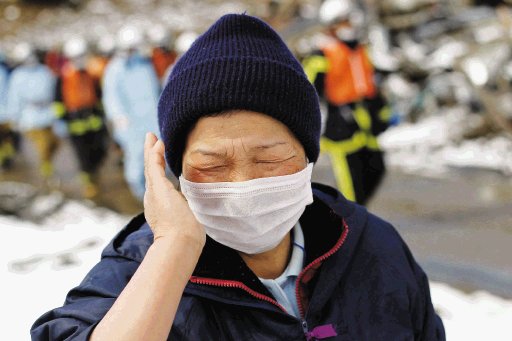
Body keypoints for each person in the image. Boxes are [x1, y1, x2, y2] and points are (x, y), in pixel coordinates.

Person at [31, 14, 444, 340]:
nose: (243, 186)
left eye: (269, 160)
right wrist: (174, 248)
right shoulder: (138, 275)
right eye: (211, 166)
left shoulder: (373, 246)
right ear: (174, 171)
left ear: (306, 156)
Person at [302, 0, 391, 205]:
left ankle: (359, 215)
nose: (350, 25)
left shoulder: (360, 49)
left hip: (366, 125)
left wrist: (382, 113)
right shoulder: (322, 54)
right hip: (341, 128)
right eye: (345, 22)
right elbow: (309, 90)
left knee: (376, 169)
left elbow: (371, 85)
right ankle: (353, 226)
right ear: (333, 25)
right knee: (352, 187)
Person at [102, 25, 161, 200]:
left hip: (152, 121)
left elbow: (154, 91)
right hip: (131, 125)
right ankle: (141, 196)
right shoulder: (115, 69)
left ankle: (159, 193)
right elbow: (111, 96)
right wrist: (119, 117)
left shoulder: (145, 65)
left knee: (157, 157)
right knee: (135, 160)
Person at [56, 37, 108, 198]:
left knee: (100, 151)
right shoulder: (63, 78)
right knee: (83, 156)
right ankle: (89, 183)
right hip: (75, 126)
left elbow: (98, 96)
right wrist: (62, 120)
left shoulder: (90, 75)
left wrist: (101, 114)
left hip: (94, 123)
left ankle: (94, 174)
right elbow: (58, 101)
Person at [7, 43, 59, 184]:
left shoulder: (44, 71)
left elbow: (54, 90)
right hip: (30, 118)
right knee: (44, 144)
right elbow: (14, 98)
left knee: (55, 142)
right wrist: (15, 117)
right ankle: (47, 169)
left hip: (48, 114)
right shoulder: (17, 76)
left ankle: (47, 162)